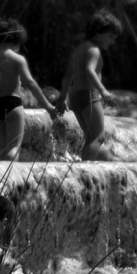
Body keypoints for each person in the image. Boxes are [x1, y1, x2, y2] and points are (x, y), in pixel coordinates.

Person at [0, 19, 57, 161]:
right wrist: (48, 106)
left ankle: (3, 179)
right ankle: (11, 176)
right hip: (13, 103)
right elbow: (30, 83)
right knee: (14, 147)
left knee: (2, 149)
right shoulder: (18, 59)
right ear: (18, 41)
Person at [56, 10, 122, 161]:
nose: (112, 41)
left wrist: (62, 98)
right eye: (110, 36)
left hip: (75, 97)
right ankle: (85, 168)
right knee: (99, 137)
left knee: (90, 136)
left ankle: (83, 166)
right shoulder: (94, 50)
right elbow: (89, 71)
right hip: (88, 96)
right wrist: (103, 91)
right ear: (98, 32)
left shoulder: (80, 49)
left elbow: (67, 76)